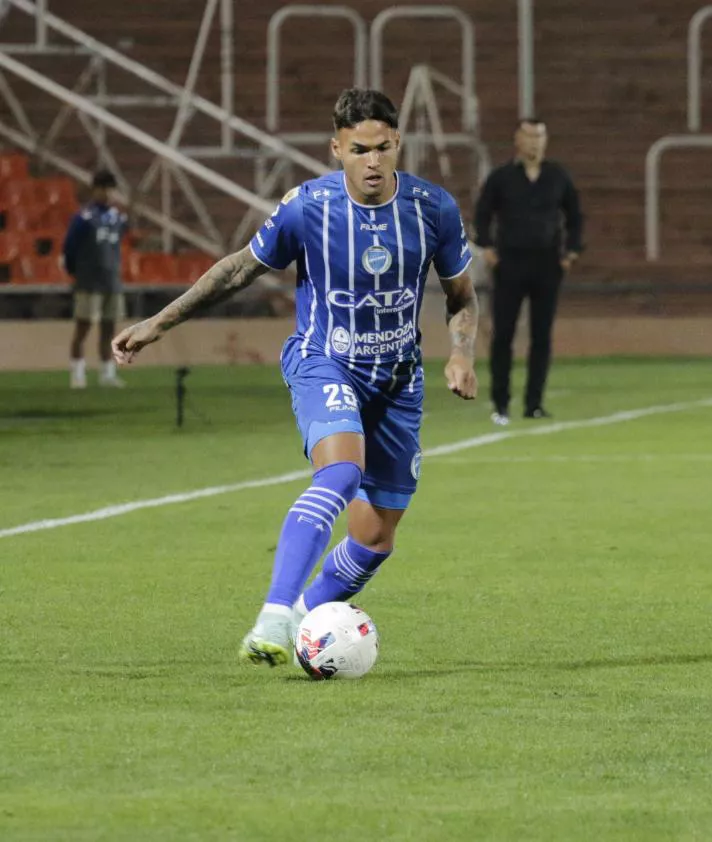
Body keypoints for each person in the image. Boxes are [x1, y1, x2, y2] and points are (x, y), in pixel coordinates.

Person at [111, 88, 479, 666]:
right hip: (323, 360)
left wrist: (462, 353)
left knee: (376, 537)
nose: (374, 162)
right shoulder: (308, 207)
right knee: (340, 469)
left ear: (398, 143)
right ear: (337, 149)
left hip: (398, 380)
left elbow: (462, 297)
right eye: (360, 150)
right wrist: (160, 321)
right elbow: (238, 270)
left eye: (384, 148)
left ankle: (309, 619)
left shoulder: (434, 209)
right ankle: (275, 616)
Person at [473, 117, 584, 425]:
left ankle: (534, 403)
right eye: (529, 136)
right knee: (503, 334)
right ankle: (501, 402)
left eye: (539, 136)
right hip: (510, 263)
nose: (534, 142)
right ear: (517, 140)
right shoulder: (502, 178)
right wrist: (488, 249)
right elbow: (482, 215)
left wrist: (570, 253)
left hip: (547, 264)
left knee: (541, 335)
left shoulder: (557, 176)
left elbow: (575, 216)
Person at [63, 169, 128, 389]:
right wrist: (76, 273)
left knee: (109, 329)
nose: (108, 193)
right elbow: (69, 249)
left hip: (111, 280)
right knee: (83, 326)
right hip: (88, 280)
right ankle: (78, 373)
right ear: (94, 190)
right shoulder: (83, 218)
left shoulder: (118, 218)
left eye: (111, 189)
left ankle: (107, 373)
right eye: (104, 189)